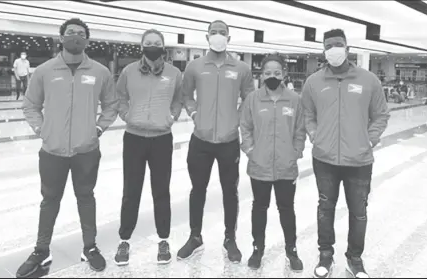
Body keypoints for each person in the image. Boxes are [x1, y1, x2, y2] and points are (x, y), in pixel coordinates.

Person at [17, 18, 118, 278]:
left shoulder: (99, 72)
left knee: (86, 198)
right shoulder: (44, 71)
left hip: (86, 150)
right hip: (52, 151)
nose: (75, 36)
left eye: (81, 33)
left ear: (87, 40)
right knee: (49, 200)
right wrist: (42, 130)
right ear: (61, 37)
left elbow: (111, 105)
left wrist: (98, 129)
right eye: (70, 32)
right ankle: (41, 250)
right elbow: (30, 105)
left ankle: (90, 247)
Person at [301, 29, 390, 278]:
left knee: (358, 212)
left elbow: (381, 114)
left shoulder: (368, 79)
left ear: (347, 48)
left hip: (359, 159)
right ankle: (325, 256)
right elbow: (307, 114)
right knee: (325, 208)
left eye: (338, 44)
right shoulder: (314, 82)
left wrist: (369, 140)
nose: (334, 50)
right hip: (324, 159)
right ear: (323, 51)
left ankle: (355, 259)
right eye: (329, 46)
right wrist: (314, 135)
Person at [177, 20, 255, 263]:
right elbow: (186, 95)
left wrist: (238, 120)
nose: (218, 36)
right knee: (197, 189)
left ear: (229, 37)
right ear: (206, 36)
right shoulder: (195, 66)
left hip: (229, 140)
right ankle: (195, 236)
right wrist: (193, 114)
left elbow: (249, 99)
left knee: (230, 191)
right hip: (200, 140)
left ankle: (230, 238)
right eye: (214, 32)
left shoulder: (241, 68)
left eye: (223, 32)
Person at [114, 29, 183, 266]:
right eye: (148, 42)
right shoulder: (129, 71)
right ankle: (124, 241)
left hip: (162, 139)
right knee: (130, 192)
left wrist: (171, 117)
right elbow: (120, 97)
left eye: (156, 43)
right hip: (134, 138)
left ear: (163, 47)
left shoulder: (174, 73)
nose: (152, 46)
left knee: (161, 191)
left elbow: (178, 100)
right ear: (142, 46)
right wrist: (127, 115)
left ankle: (163, 240)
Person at [240, 54, 306, 270]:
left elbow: (299, 129)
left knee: (286, 208)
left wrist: (296, 152)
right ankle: (257, 249)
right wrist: (250, 150)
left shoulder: (294, 100)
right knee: (259, 208)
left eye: (277, 73)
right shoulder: (253, 99)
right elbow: (246, 127)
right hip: (259, 166)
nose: (272, 76)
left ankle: (291, 250)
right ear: (262, 74)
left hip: (286, 167)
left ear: (284, 74)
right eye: (268, 73)